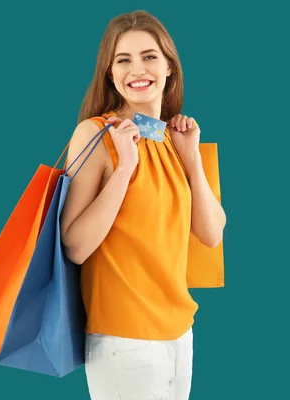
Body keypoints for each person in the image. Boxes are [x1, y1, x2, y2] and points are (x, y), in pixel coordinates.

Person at [60, 10, 227, 400]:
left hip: (179, 332)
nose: (138, 68)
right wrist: (124, 170)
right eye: (124, 60)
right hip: (124, 337)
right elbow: (75, 246)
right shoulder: (94, 134)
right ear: (110, 75)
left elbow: (212, 234)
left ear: (169, 67)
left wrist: (192, 159)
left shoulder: (173, 138)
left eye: (149, 56)